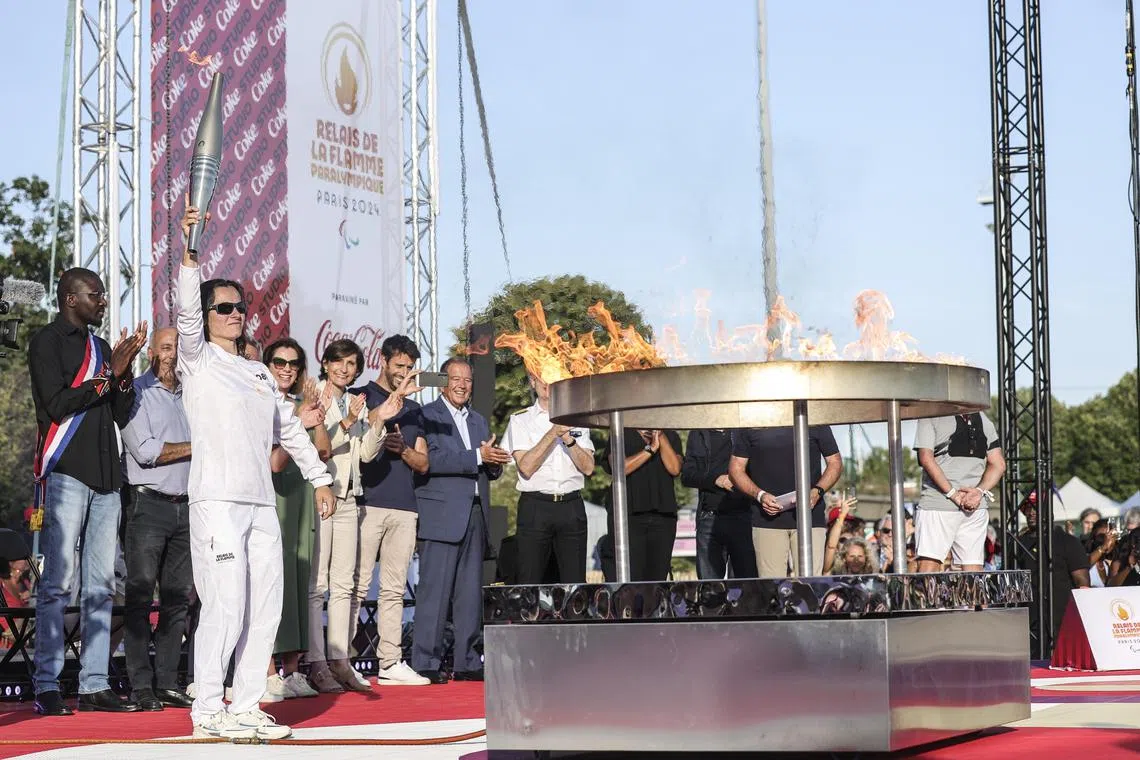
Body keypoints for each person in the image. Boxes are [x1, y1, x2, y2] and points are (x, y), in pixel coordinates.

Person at [176, 201, 334, 740]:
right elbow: (187, 319)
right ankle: (206, 709)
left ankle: (244, 706)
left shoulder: (260, 375)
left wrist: (321, 478)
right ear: (206, 314)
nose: (235, 313)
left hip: (260, 503)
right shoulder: (196, 362)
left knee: (266, 608)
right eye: (223, 307)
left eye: (240, 306)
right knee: (224, 605)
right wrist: (191, 257)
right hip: (216, 501)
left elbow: (288, 431)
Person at [28, 267, 148, 716]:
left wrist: (122, 374)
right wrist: (106, 375)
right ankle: (46, 684)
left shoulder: (100, 348)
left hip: (106, 477)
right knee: (57, 584)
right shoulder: (47, 341)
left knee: (100, 586)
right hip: (68, 475)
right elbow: (58, 406)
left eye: (102, 294)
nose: (102, 301)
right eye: (95, 295)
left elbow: (118, 411)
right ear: (70, 298)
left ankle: (95, 683)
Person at [412, 358, 509, 683]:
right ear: (444, 381)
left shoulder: (480, 421)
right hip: (440, 515)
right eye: (456, 379)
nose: (462, 385)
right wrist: (478, 457)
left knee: (469, 594)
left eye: (467, 380)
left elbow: (484, 467)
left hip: (475, 515)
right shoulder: (426, 416)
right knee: (434, 593)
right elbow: (431, 460)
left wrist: (494, 463)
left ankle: (467, 660)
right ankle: (426, 661)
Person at [120, 327, 195, 712]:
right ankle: (140, 686)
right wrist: (197, 447)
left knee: (176, 601)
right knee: (139, 597)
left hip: (187, 507)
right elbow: (146, 451)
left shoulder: (192, 395)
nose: (172, 354)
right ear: (151, 351)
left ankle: (167, 682)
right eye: (166, 347)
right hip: (147, 506)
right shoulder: (135, 392)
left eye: (178, 348)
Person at [352, 335, 431, 686]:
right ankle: (344, 660)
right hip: (366, 502)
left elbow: (423, 461)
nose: (404, 373)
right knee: (355, 585)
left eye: (410, 368)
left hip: (404, 506)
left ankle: (390, 660)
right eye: (399, 366)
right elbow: (362, 428)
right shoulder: (361, 394)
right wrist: (392, 405)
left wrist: (402, 451)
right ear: (383, 361)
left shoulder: (416, 410)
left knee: (395, 588)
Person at [306, 339, 372, 694]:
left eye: (351, 363)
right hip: (322, 493)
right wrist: (347, 421)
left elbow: (365, 454)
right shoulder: (315, 394)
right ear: (326, 364)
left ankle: (341, 660)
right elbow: (321, 447)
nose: (344, 368)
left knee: (344, 585)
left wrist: (377, 421)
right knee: (318, 586)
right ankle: (317, 663)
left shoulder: (356, 401)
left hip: (350, 495)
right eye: (338, 362)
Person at [263, 338, 328, 701]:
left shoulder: (301, 403)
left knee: (300, 582)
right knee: (272, 584)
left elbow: (322, 452)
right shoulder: (261, 400)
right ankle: (267, 671)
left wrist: (312, 413)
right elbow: (274, 462)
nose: (286, 369)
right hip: (273, 499)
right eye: (279, 362)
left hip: (302, 500)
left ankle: (293, 670)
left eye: (294, 363)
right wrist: (296, 426)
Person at [501, 373, 596, 584]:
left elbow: (589, 468)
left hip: (571, 507)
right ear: (532, 382)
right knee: (530, 580)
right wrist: (553, 433)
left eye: (552, 377)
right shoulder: (520, 420)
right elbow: (526, 467)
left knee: (574, 582)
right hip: (536, 507)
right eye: (541, 378)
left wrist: (568, 439)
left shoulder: (577, 418)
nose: (547, 383)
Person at [727, 426, 843, 577]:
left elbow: (835, 462)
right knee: (771, 588)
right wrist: (760, 495)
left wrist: (817, 491)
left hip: (809, 518)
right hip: (766, 520)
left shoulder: (814, 418)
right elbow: (735, 469)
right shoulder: (752, 421)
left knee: (810, 586)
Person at [913, 413, 1006, 573]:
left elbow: (926, 458)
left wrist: (954, 494)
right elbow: (999, 464)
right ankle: (974, 599)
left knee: (929, 567)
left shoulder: (930, 414)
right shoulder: (985, 419)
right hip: (974, 506)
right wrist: (978, 492)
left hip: (938, 505)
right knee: (973, 569)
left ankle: (926, 599)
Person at [602, 429, 684, 581]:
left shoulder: (670, 436)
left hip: (663, 516)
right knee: (631, 577)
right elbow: (620, 468)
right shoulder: (621, 434)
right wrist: (650, 449)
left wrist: (660, 436)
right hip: (629, 516)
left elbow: (675, 468)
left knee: (658, 578)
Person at [681, 429, 757, 579]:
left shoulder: (743, 431)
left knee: (746, 587)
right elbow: (687, 475)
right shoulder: (698, 434)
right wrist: (716, 479)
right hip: (709, 518)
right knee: (709, 588)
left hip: (744, 517)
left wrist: (741, 480)